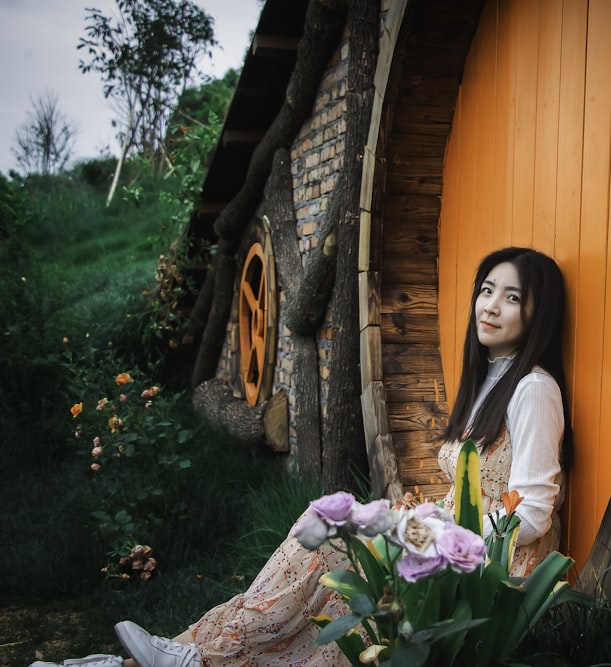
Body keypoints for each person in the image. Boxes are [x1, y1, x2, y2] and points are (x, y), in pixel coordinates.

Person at [32, 246, 572, 667]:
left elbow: (531, 516)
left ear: (537, 311)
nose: (490, 306)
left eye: (511, 297)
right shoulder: (489, 381)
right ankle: (157, 658)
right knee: (324, 551)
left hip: (487, 570)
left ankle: (194, 655)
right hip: (446, 542)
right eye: (486, 290)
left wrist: (424, 529)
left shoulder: (533, 391)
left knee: (326, 534)